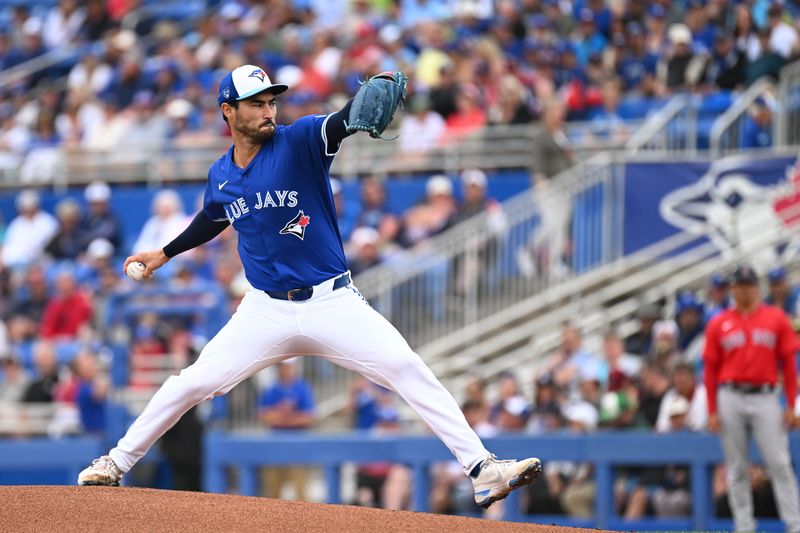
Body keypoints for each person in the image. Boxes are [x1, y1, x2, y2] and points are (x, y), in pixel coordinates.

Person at [77, 65, 541, 507]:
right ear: (227, 111)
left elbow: (336, 125)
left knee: (406, 366)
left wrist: (354, 112)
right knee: (190, 383)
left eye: (270, 101)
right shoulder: (221, 175)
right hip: (264, 312)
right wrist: (165, 253)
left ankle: (482, 469)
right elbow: (211, 217)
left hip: (331, 300)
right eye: (254, 103)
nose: (267, 110)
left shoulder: (298, 140)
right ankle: (115, 462)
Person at [703, 264, 800, 533]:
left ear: (757, 288)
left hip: (766, 396)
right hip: (730, 394)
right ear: (732, 289)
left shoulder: (776, 318)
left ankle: (795, 525)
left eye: (749, 285)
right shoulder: (718, 322)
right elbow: (710, 369)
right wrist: (711, 409)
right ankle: (744, 526)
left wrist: (791, 404)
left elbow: (789, 365)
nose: (744, 290)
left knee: (779, 462)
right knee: (736, 467)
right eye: (739, 286)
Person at [259, 359, 314, 501]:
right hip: (275, 444)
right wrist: (286, 416)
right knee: (272, 490)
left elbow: (308, 417)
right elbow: (264, 416)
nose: (286, 370)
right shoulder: (272, 389)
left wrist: (283, 418)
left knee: (301, 490)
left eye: (289, 366)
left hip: (297, 445)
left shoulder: (301, 388)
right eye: (283, 367)